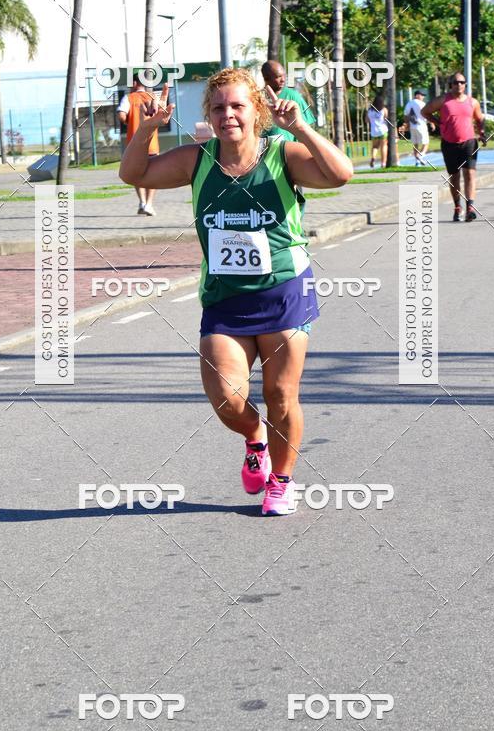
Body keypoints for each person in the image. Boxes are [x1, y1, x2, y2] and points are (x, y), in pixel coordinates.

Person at [119, 68, 353, 515]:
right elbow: (133, 173)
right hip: (225, 299)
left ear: (256, 111)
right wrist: (149, 127)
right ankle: (254, 436)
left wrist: (301, 126)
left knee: (282, 396)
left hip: (283, 291)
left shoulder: (282, 155)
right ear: (208, 112)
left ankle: (281, 483)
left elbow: (340, 175)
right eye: (219, 107)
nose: (228, 114)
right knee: (226, 398)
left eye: (238, 106)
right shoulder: (197, 159)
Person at [422, 72, 486, 222]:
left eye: (462, 82)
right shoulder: (443, 100)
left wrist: (482, 132)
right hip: (449, 144)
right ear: (450, 85)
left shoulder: (472, 102)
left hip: (469, 142)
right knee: (454, 177)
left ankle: (470, 207)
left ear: (465, 85)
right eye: (456, 82)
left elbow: (480, 118)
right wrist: (438, 122)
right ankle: (458, 207)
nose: (459, 85)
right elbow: (425, 111)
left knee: (470, 174)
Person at [117, 72, 160, 215]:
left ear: (135, 83)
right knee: (153, 174)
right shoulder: (152, 97)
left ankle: (142, 202)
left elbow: (121, 115)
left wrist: (130, 122)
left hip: (134, 143)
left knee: (135, 173)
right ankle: (149, 204)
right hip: (152, 143)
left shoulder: (128, 98)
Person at [261, 60, 316, 141]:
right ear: (266, 78)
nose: (283, 79)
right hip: (264, 151)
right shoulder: (258, 98)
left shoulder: (293, 96)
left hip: (290, 151)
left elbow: (308, 128)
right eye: (278, 76)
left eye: (284, 75)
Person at [403, 89, 434, 165]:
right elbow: (427, 115)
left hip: (412, 126)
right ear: (417, 95)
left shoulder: (409, 104)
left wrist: (407, 124)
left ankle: (417, 161)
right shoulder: (422, 104)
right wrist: (432, 123)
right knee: (426, 143)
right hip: (421, 126)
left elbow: (406, 116)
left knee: (415, 144)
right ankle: (421, 156)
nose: (423, 97)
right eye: (422, 95)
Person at [366, 95, 389, 168]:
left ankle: (373, 157)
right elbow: (386, 119)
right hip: (383, 131)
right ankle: (383, 163)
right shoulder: (384, 110)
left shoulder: (370, 111)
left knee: (375, 147)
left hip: (374, 132)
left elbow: (366, 120)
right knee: (384, 147)